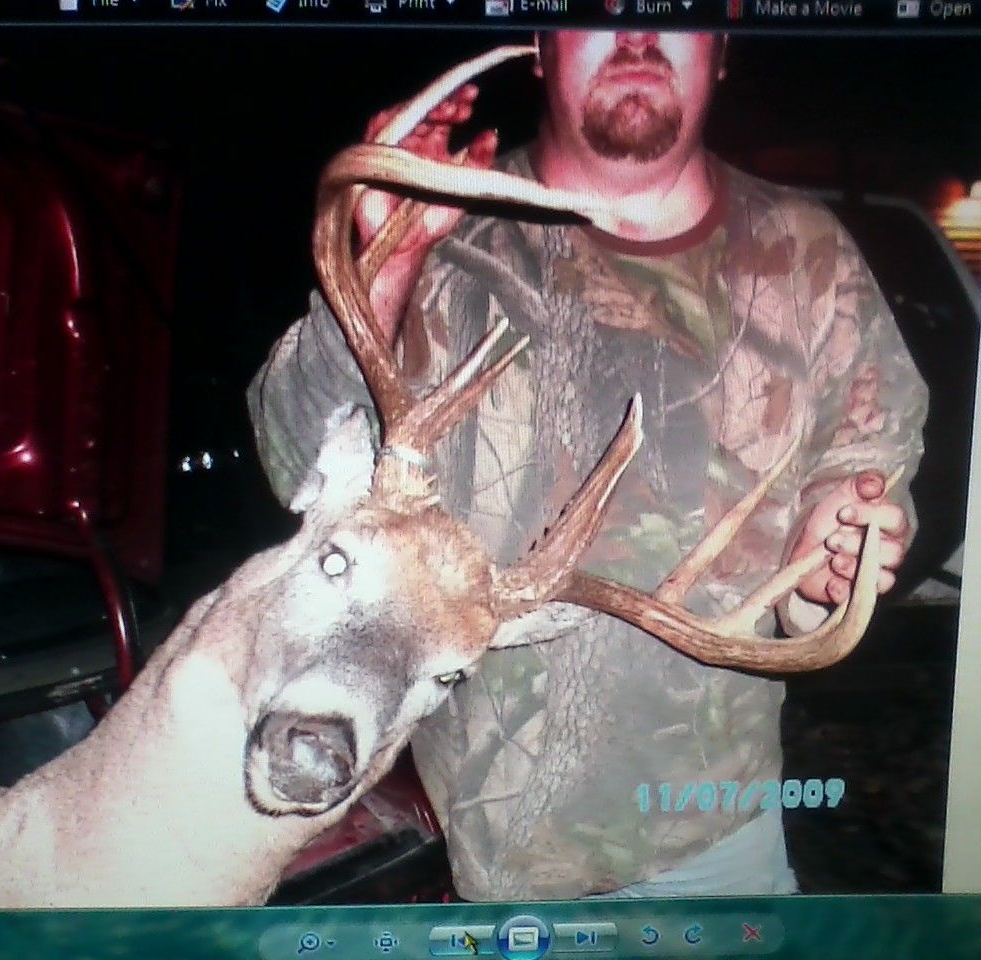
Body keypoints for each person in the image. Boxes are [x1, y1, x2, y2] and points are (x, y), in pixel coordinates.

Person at [246, 30, 928, 900]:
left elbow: (866, 460)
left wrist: (834, 549)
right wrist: (389, 266)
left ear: (721, 44)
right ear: (541, 42)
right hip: (473, 855)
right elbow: (295, 464)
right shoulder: (441, 229)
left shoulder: (808, 254)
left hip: (715, 845)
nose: (638, 31)